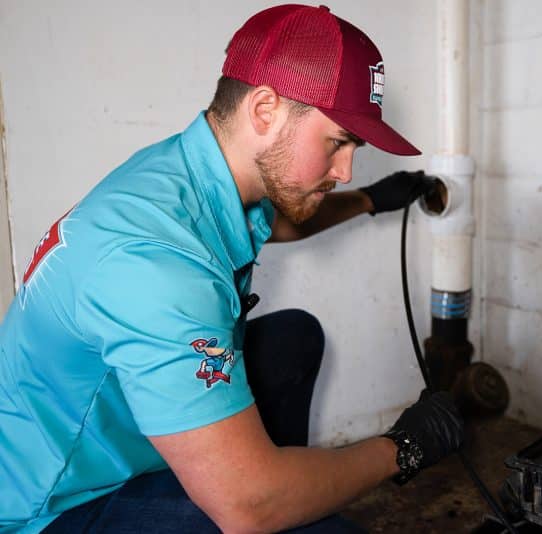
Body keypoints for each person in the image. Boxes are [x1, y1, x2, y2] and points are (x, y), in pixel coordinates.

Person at [0, 4, 464, 533]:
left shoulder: (191, 171)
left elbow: (283, 221)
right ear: (265, 110)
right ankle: (275, 490)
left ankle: (279, 484)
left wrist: (370, 201)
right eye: (337, 143)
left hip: (115, 432)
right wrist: (401, 449)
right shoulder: (155, 265)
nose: (344, 170)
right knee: (298, 522)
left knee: (294, 338)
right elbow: (247, 507)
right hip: (58, 502)